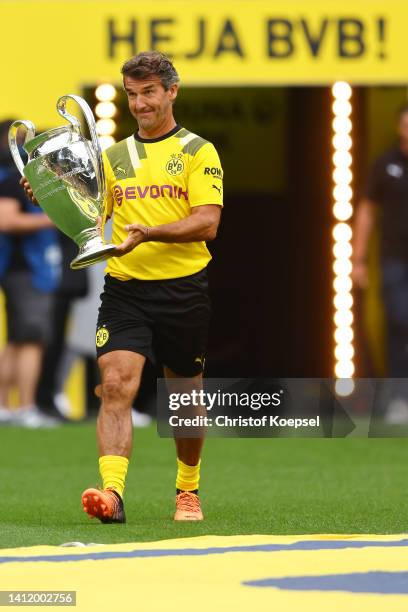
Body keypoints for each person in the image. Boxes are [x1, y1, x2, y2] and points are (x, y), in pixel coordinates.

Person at [22, 51, 223, 522]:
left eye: (149, 92)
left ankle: (187, 490)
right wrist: (52, 192)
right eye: (132, 94)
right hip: (126, 288)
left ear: (172, 91)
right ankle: (112, 495)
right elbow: (92, 213)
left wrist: (147, 234)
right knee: (114, 385)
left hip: (183, 288)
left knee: (185, 396)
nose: (140, 104)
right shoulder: (112, 157)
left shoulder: (198, 151)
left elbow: (207, 222)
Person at [0, 120, 60, 428]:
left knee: (17, 339)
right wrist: (55, 219)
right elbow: (6, 221)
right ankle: (24, 407)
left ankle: (7, 407)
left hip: (23, 269)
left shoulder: (19, 178)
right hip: (25, 269)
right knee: (31, 339)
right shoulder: (12, 181)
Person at [353, 104, 408, 421]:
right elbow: (367, 211)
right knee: (399, 322)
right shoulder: (386, 165)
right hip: (394, 259)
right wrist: (358, 259)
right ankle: (400, 398)